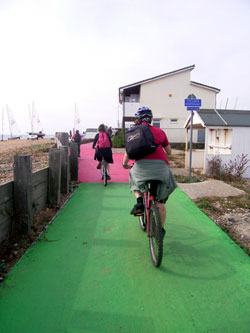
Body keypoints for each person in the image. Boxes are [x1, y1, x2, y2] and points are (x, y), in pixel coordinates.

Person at [122, 106, 177, 235]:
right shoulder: (160, 131)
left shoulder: (133, 133)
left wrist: (125, 164)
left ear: (137, 119)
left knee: (133, 175)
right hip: (160, 169)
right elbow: (169, 152)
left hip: (141, 168)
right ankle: (160, 230)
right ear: (151, 119)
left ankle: (139, 203)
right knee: (160, 202)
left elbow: (128, 154)